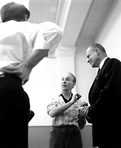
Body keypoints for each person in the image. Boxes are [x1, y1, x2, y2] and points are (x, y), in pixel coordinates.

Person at [0, 2, 63, 148]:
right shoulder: (25, 27)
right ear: (25, 17)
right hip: (7, 89)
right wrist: (28, 65)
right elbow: (55, 31)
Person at [80, 43, 121, 148]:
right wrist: (88, 111)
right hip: (107, 134)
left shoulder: (113, 64)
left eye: (88, 56)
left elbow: (109, 95)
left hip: (117, 132)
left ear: (97, 51)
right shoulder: (101, 72)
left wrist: (90, 110)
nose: (87, 60)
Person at [47, 72, 88, 148]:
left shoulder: (79, 101)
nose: (64, 81)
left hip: (74, 134)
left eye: (67, 79)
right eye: (62, 79)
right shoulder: (54, 98)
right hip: (57, 133)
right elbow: (52, 113)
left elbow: (81, 126)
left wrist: (82, 116)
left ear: (73, 84)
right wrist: (71, 102)